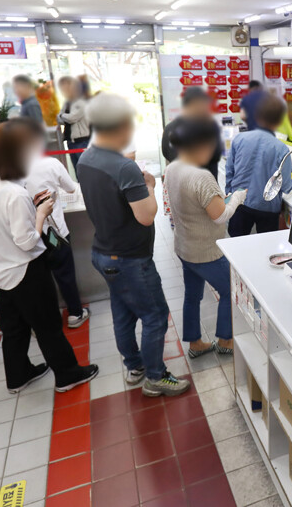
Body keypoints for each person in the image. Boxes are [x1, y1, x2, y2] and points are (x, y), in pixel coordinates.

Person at [77, 92, 190, 398]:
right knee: (155, 315)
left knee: (123, 313)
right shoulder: (124, 168)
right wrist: (150, 186)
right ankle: (156, 376)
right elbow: (146, 215)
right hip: (130, 258)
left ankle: (134, 365)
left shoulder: (86, 158)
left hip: (103, 252)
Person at [0, 119, 98, 393]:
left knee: (13, 327)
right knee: (48, 326)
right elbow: (28, 241)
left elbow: (3, 222)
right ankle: (67, 375)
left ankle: (18, 376)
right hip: (25, 272)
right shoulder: (14, 194)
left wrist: (32, 206)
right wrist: (41, 212)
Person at [164, 117, 246, 358]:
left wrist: (223, 199)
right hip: (207, 251)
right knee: (229, 289)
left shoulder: (172, 167)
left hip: (185, 247)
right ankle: (225, 340)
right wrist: (238, 198)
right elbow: (220, 216)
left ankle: (196, 343)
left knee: (192, 297)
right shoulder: (201, 177)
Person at [25, 149, 90, 329]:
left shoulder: (9, 169)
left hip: (27, 232)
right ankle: (75, 313)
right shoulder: (51, 164)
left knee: (38, 279)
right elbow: (71, 188)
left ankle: (44, 322)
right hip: (54, 230)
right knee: (65, 274)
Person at [226, 94, 292, 237]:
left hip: (239, 203)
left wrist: (230, 196)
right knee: (266, 248)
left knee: (236, 245)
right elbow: (286, 185)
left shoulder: (239, 139)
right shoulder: (281, 148)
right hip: (267, 207)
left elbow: (229, 172)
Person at [161, 87, 223, 179]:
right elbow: (216, 155)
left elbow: (165, 152)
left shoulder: (169, 128)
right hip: (203, 184)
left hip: (177, 183)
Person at [56, 76, 90, 170]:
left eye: (66, 87)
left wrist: (62, 116)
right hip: (71, 142)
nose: (64, 90)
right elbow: (59, 119)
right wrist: (62, 116)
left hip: (82, 142)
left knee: (85, 171)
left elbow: (72, 118)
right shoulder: (67, 102)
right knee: (77, 170)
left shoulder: (81, 101)